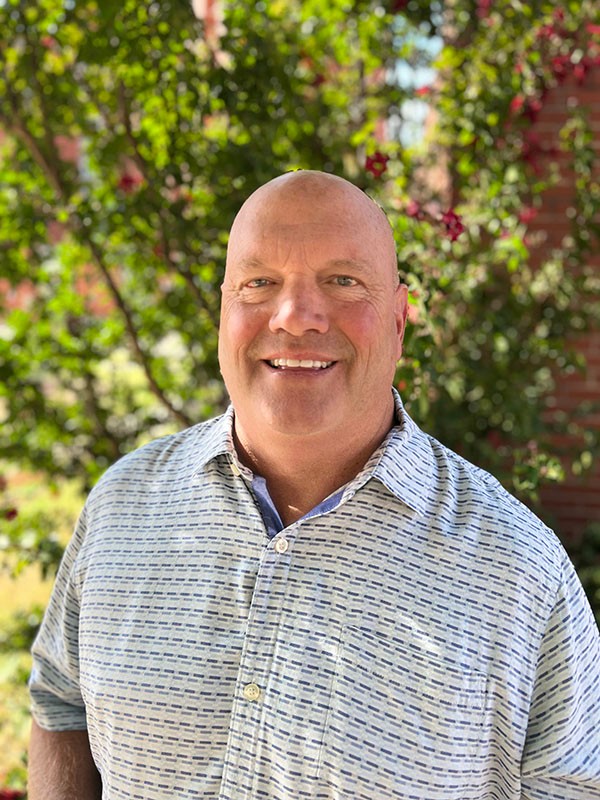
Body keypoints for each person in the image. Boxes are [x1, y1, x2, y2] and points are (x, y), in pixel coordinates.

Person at [28, 170, 600, 800]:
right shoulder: (122, 507)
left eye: (343, 281)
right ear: (224, 312)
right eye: (259, 282)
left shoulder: (517, 570)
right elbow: (61, 703)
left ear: (401, 322)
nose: (296, 316)